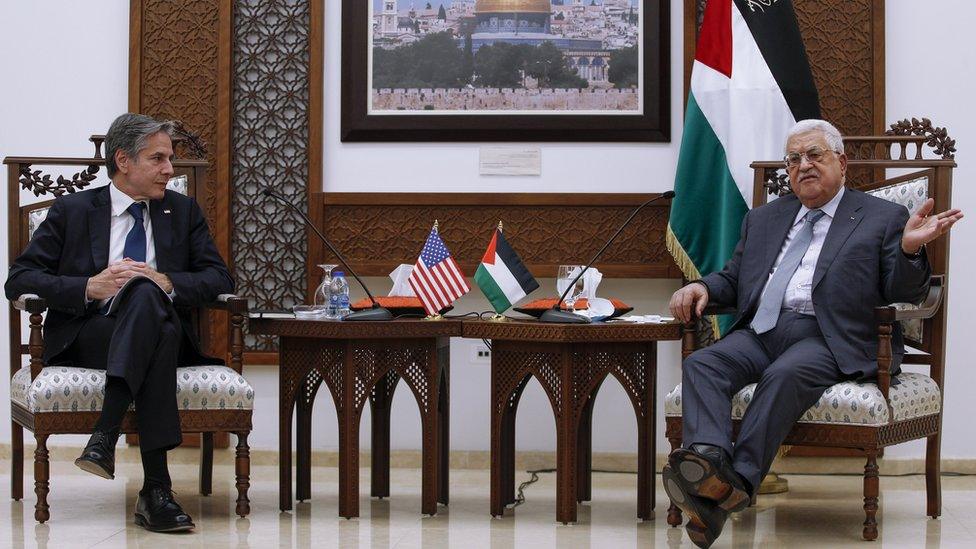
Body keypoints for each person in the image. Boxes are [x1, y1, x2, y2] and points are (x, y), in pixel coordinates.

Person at [663, 119, 963, 548]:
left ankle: (731, 488)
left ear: (841, 163)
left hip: (833, 335)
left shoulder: (882, 217)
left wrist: (911, 249)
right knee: (705, 362)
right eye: (794, 158)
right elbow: (735, 278)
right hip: (764, 328)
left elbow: (904, 292)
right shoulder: (764, 218)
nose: (803, 165)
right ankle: (709, 463)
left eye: (814, 155)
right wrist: (702, 287)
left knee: (785, 374)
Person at [5, 113, 234, 533]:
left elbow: (220, 278)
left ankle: (105, 436)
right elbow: (18, 279)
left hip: (156, 334)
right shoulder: (73, 210)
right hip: (89, 335)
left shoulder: (181, 212)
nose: (170, 169)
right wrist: (88, 287)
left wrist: (164, 279)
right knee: (156, 327)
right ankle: (157, 492)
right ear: (123, 160)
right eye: (159, 158)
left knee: (148, 295)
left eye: (171, 158)